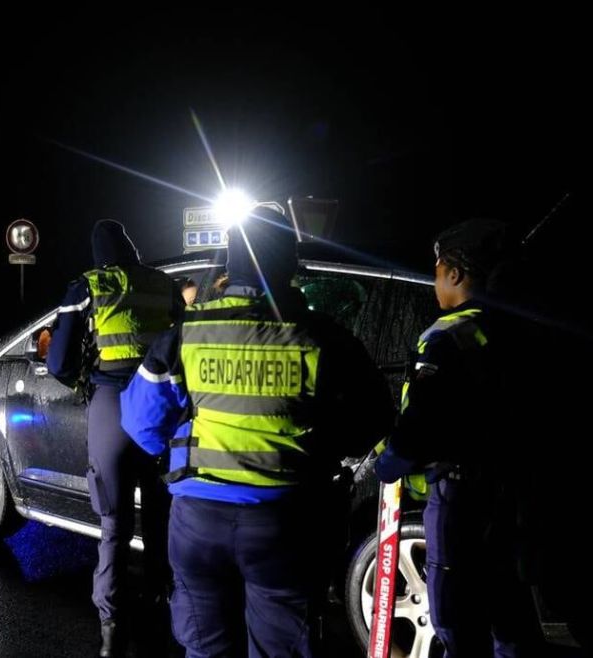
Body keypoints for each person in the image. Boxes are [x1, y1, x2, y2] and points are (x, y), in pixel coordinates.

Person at [121, 206, 391, 657]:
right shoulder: (324, 337)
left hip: (198, 522)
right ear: (291, 266)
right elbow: (374, 417)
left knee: (206, 647)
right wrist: (322, 446)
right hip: (287, 522)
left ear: (230, 265)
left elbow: (141, 424)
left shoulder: (187, 333)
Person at [374, 219, 543, 658]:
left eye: (436, 271)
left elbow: (421, 423)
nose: (435, 283)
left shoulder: (448, 336)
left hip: (458, 497)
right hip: (509, 491)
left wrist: (386, 463)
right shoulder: (520, 331)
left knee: (456, 615)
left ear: (455, 273)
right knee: (508, 609)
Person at [46, 219, 183, 657]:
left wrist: (83, 380)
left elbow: (60, 362)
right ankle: (164, 609)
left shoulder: (87, 285)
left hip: (112, 404)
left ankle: (112, 629)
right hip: (161, 406)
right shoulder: (163, 284)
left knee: (114, 526)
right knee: (163, 518)